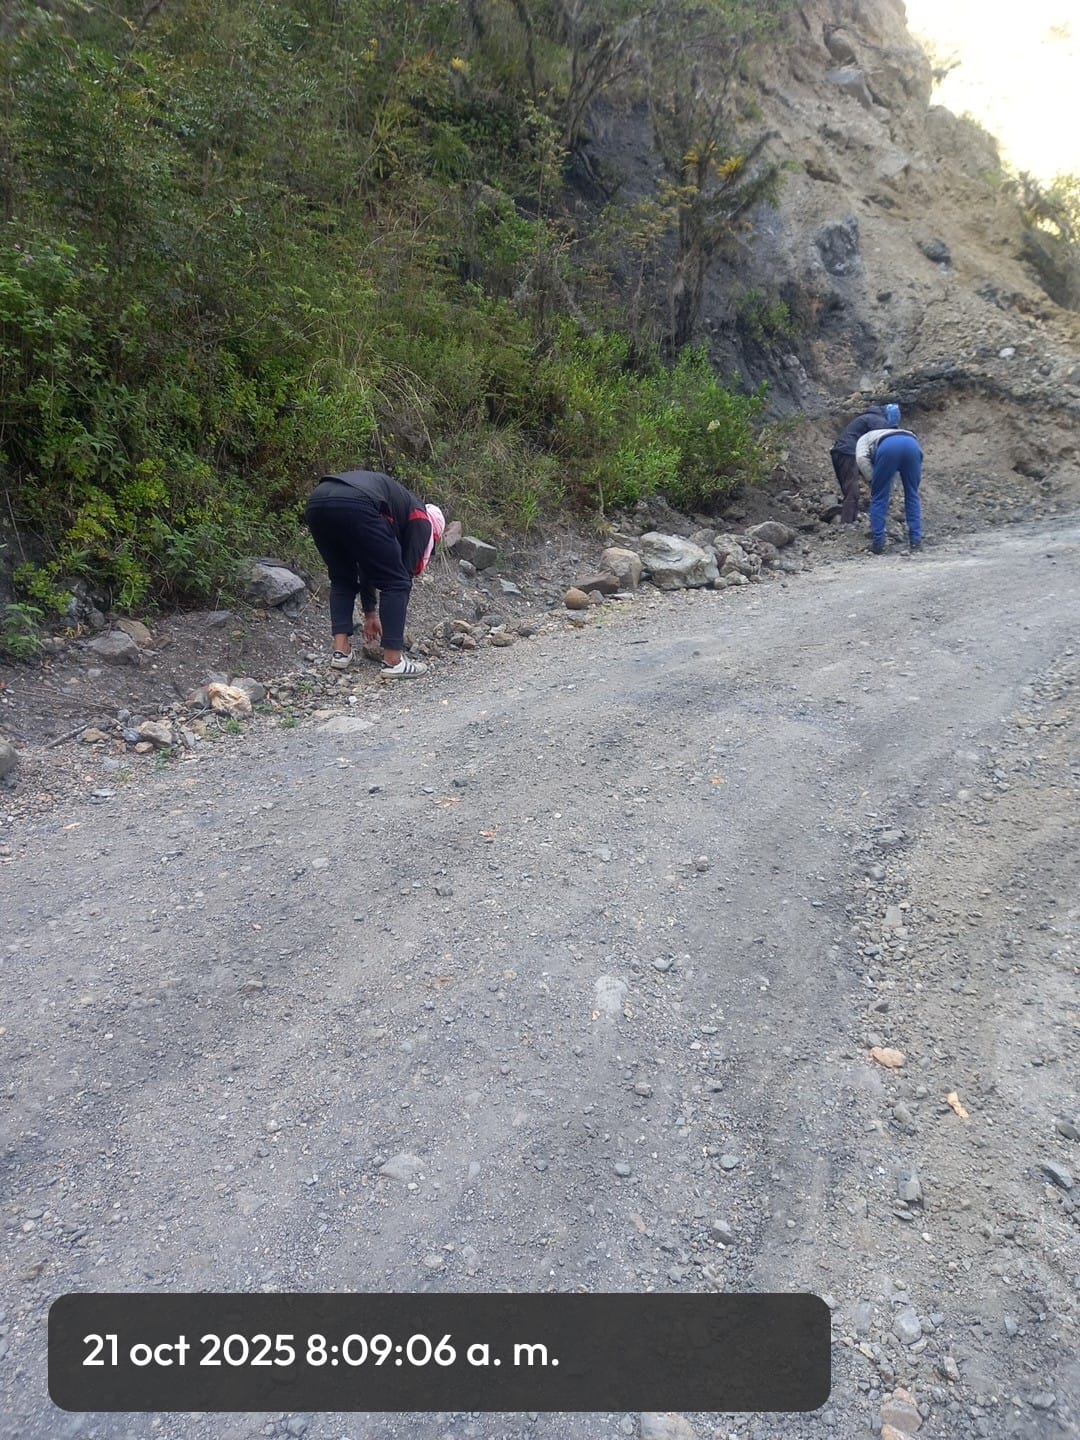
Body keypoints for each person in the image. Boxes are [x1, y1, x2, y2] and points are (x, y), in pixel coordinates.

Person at [304, 469, 446, 678]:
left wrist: (370, 613)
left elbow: (369, 561)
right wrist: (390, 619)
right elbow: (401, 577)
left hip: (317, 501)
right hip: (357, 502)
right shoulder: (422, 520)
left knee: (342, 578)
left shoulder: (399, 508)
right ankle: (394, 661)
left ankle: (341, 651)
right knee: (397, 582)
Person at [855, 419, 924, 555]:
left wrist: (873, 480)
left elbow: (861, 459)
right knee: (912, 494)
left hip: (888, 447)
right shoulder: (890, 432)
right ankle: (916, 541)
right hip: (913, 444)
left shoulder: (863, 439)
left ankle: (878, 544)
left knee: (879, 497)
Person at [829, 401, 902, 524]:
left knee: (849, 490)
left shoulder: (869, 417)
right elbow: (880, 447)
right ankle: (846, 525)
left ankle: (850, 521)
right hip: (849, 452)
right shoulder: (879, 421)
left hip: (839, 452)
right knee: (852, 491)